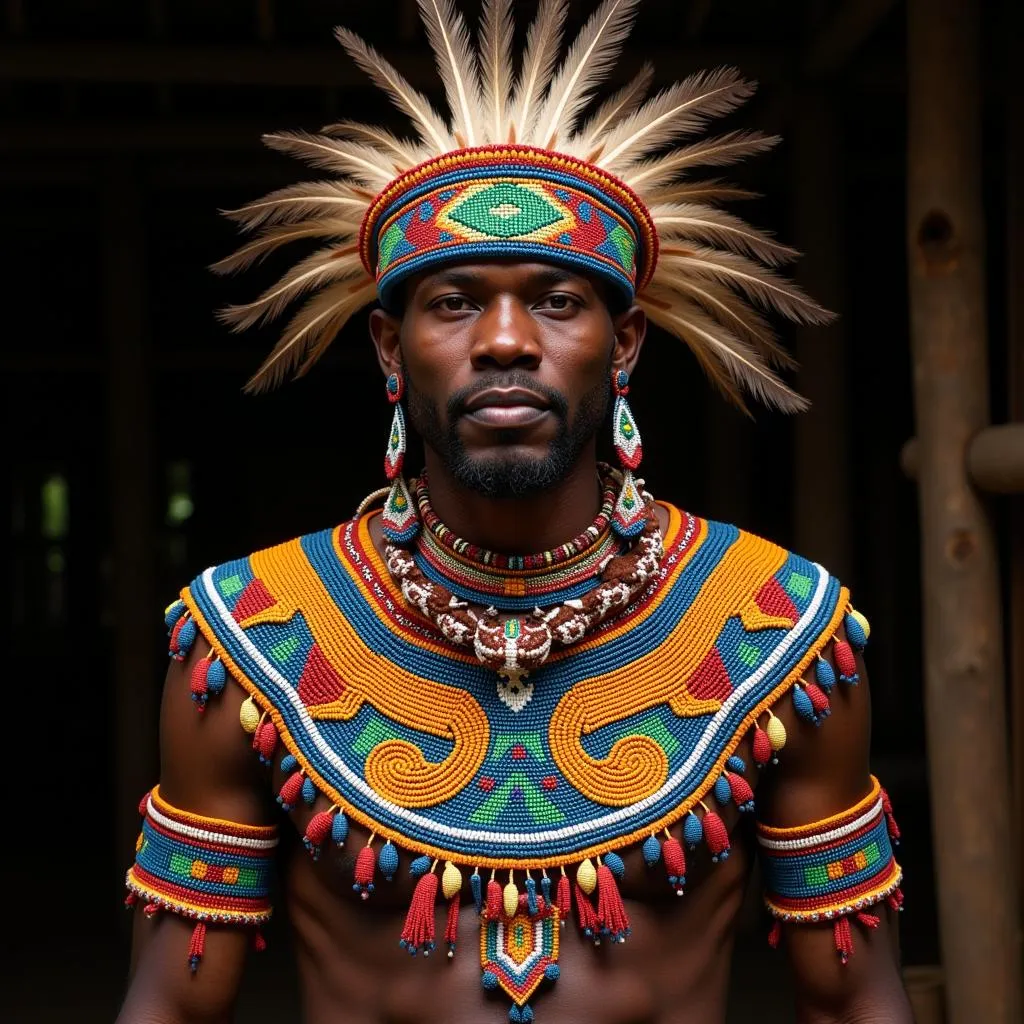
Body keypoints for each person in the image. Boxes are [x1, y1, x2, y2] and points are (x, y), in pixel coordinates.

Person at [118, 2, 913, 1021]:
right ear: (387, 347)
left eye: (555, 298)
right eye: (451, 301)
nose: (503, 339)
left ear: (623, 343)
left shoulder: (774, 631)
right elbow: (170, 1007)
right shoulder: (253, 636)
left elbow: (857, 1004)